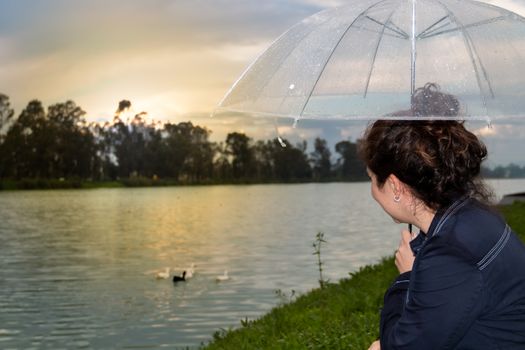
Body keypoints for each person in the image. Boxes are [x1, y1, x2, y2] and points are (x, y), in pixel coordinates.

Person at [360, 84, 525, 349]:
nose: (371, 191)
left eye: (371, 179)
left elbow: (402, 345)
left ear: (395, 186)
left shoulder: (451, 252)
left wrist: (407, 278)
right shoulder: (470, 215)